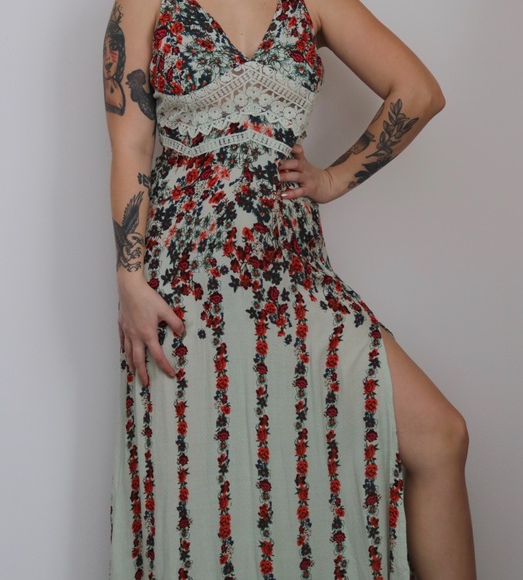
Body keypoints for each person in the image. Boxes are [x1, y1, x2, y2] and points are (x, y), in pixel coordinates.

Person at [103, 0, 477, 578]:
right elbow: (131, 148)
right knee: (209, 495)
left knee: (441, 437)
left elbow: (419, 92)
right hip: (187, 291)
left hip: (295, 279)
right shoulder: (143, 4)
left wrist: (332, 178)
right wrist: (129, 280)